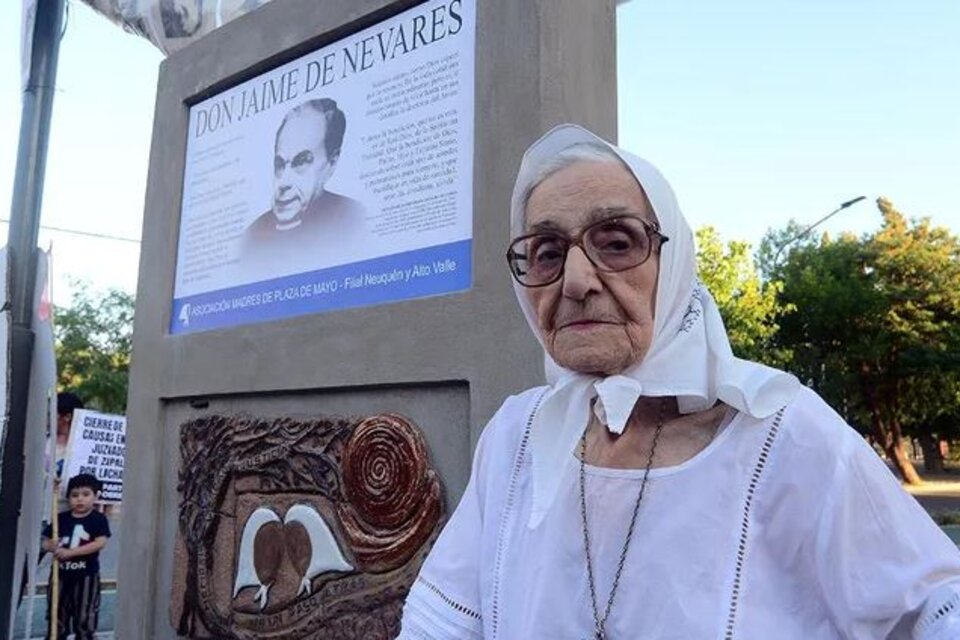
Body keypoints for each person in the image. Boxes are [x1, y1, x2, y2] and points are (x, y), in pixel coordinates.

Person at [399, 125, 960, 639]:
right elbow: (441, 622)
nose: (575, 281)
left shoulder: (776, 427)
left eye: (616, 242)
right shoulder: (517, 435)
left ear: (675, 263)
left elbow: (936, 606)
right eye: (546, 253)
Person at [242, 98, 366, 275]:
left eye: (301, 162)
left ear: (332, 163)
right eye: (279, 164)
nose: (284, 182)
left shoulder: (354, 219)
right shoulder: (253, 236)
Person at [42, 473, 111, 640]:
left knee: (84, 616)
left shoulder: (98, 519)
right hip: (60, 576)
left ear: (95, 496)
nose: (80, 499)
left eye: (86, 494)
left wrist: (71, 553)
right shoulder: (61, 519)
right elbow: (45, 541)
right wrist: (50, 546)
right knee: (56, 614)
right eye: (74, 495)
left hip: (86, 576)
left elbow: (100, 543)